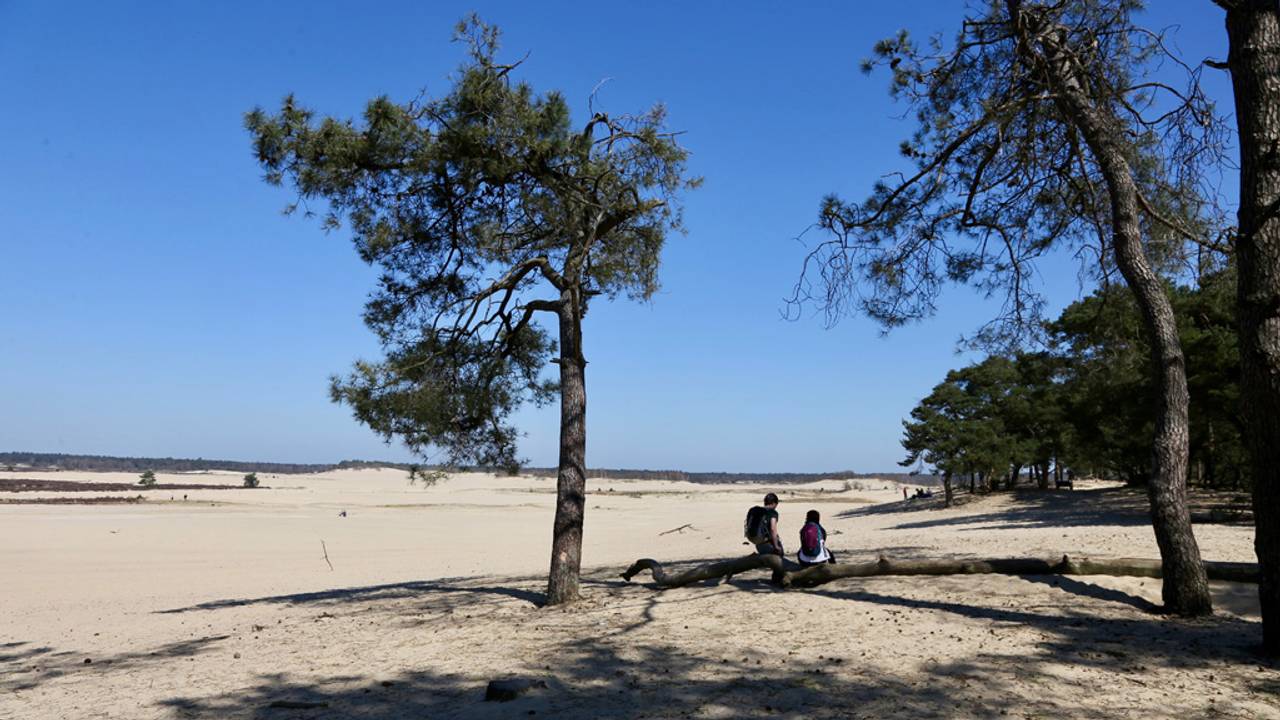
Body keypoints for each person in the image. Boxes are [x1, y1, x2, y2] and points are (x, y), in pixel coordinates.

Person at [744, 492, 785, 583]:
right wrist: (776, 546)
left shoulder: (756, 510)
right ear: (774, 503)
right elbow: (773, 529)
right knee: (780, 555)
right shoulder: (772, 512)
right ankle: (778, 579)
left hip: (755, 540)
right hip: (764, 540)